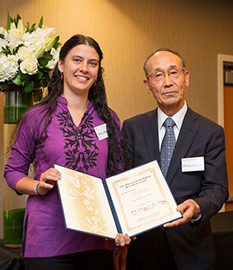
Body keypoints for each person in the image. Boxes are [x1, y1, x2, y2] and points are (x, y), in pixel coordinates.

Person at [4, 34, 129, 270]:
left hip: (97, 240)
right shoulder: (37, 116)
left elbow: (116, 178)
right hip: (47, 240)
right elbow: (12, 172)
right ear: (61, 65)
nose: (84, 69)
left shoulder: (109, 119)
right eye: (77, 60)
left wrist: (122, 230)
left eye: (92, 63)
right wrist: (38, 186)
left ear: (98, 71)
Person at [122, 48, 229, 270]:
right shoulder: (132, 128)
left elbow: (217, 188)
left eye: (174, 73)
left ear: (186, 78)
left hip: (191, 249)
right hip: (143, 250)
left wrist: (198, 206)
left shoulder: (210, 132)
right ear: (147, 85)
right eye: (158, 75)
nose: (168, 82)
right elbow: (123, 183)